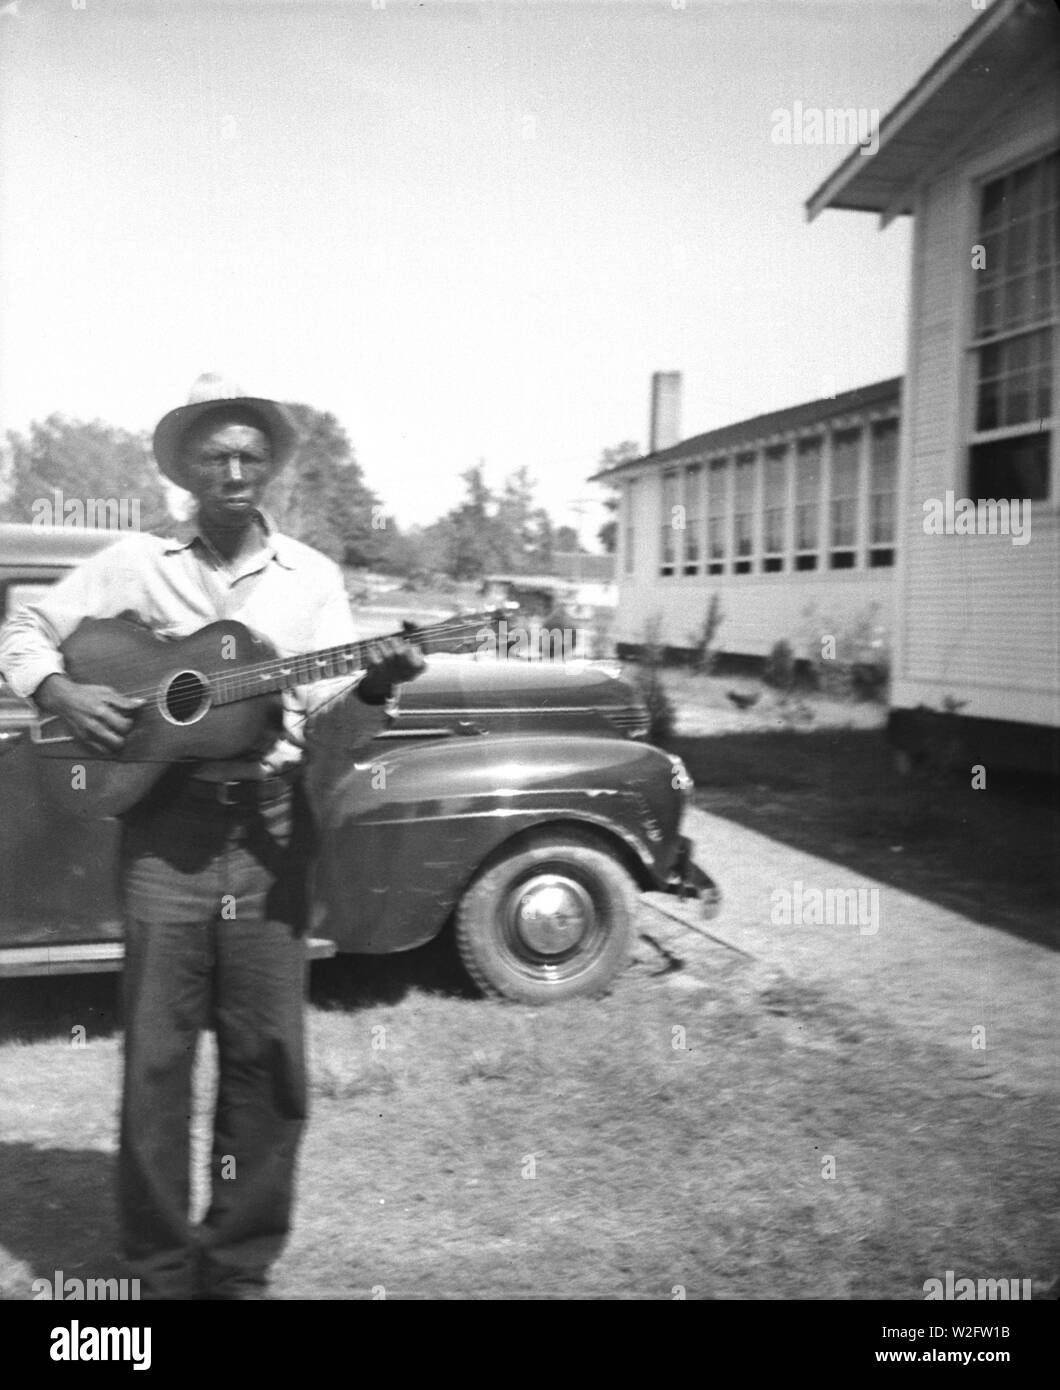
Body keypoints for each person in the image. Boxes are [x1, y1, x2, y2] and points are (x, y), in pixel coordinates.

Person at [0, 374, 425, 1300]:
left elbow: (330, 729)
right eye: (214, 455)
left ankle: (238, 1265)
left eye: (249, 455)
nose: (234, 470)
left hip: (272, 830)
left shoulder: (312, 580)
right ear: (186, 468)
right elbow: (23, 630)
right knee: (157, 1056)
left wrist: (376, 690)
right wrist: (63, 691)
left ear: (269, 466)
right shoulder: (133, 559)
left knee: (268, 1055)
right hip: (165, 833)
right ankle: (157, 1266)